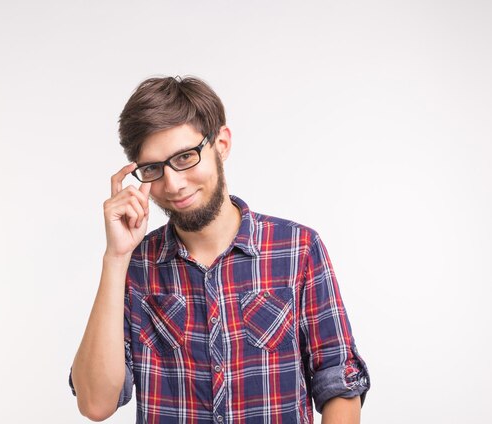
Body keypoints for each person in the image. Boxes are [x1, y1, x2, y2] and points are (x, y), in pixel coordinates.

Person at [69, 76, 370, 423]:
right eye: (153, 168)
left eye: (185, 157)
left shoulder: (298, 250)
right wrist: (116, 257)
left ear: (221, 143)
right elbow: (95, 403)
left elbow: (339, 384)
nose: (173, 184)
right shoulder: (135, 266)